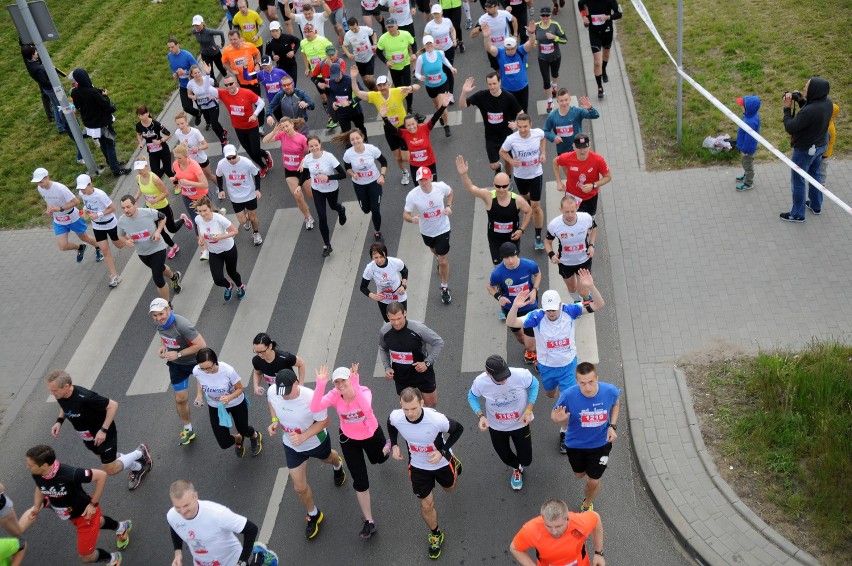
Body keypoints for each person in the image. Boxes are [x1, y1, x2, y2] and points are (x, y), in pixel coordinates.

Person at [506, 279, 604, 453]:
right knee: (550, 394)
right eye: (548, 310)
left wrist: (591, 286)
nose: (551, 313)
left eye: (554, 309)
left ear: (560, 305)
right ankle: (559, 393)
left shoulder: (570, 310)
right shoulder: (536, 317)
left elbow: (599, 304)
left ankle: (564, 432)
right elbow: (511, 323)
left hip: (568, 366)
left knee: (565, 403)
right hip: (547, 367)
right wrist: (515, 306)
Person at [311, 364, 392, 540]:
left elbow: (366, 409)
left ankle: (387, 445)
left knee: (379, 459)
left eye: (343, 380)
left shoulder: (364, 391)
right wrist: (320, 384)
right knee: (360, 480)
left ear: (351, 379)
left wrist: (355, 385)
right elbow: (315, 407)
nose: (340, 385)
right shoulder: (334, 395)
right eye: (336, 382)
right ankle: (369, 521)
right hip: (349, 439)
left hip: (371, 434)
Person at [266, 369, 345, 539]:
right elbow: (271, 402)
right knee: (299, 487)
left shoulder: (310, 398)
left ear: (296, 383)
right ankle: (314, 514)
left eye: (287, 393)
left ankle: (338, 464)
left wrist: (303, 437)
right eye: (282, 393)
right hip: (291, 445)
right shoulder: (274, 392)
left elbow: (324, 421)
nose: (284, 397)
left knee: (328, 459)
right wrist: (274, 421)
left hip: (315, 441)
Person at [387, 387, 463, 559]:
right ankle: (436, 534)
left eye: (414, 408)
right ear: (401, 405)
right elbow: (390, 424)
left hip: (441, 462)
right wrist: (394, 444)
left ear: (421, 403)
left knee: (450, 489)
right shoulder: (397, 416)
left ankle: (454, 460)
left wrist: (443, 451)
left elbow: (458, 429)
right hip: (418, 466)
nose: (410, 413)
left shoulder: (436, 419)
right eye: (406, 409)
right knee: (426, 504)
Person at [46, 370, 153, 490]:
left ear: (66, 386)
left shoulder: (85, 397)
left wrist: (103, 430)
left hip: (104, 435)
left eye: (54, 390)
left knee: (110, 469)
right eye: (50, 390)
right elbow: (65, 407)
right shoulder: (61, 395)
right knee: (107, 457)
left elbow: (113, 405)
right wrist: (59, 421)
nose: (52, 393)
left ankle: (140, 452)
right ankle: (138, 467)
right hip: (88, 436)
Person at [24, 445, 129, 566]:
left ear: (44, 465)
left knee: (86, 556)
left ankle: (113, 559)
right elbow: (40, 487)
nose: (27, 467)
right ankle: (122, 527)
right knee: (99, 522)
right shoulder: (38, 474)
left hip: (85, 516)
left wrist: (93, 505)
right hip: (72, 516)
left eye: (30, 465)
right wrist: (37, 506)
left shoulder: (69, 474)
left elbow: (101, 475)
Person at [552, 362, 620, 512]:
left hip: (601, 444)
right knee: (579, 475)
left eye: (591, 382)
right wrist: (559, 419)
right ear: (577, 382)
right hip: (576, 444)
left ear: (597, 378)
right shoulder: (569, 395)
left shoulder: (609, 390)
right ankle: (587, 476)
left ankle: (587, 503)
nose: (587, 388)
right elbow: (555, 415)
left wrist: (612, 426)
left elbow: (616, 403)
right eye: (582, 383)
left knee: (593, 480)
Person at [468, 355, 538, 490]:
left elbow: (534, 385)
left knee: (526, 460)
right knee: (504, 455)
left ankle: (522, 459)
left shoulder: (520, 375)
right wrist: (481, 416)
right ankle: (516, 469)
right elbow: (472, 396)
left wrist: (529, 410)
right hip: (496, 427)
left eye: (506, 375)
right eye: (500, 378)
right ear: (488, 374)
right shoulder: (480, 382)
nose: (504, 380)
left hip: (520, 424)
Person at [149, 298, 206, 445]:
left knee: (214, 395)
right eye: (154, 315)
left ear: (169, 310)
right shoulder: (158, 323)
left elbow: (201, 345)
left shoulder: (182, 325)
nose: (158, 318)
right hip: (176, 365)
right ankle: (188, 428)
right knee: (180, 399)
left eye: (161, 314)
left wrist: (178, 354)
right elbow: (165, 335)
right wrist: (163, 346)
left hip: (195, 362)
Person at [455, 155, 532, 266]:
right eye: (498, 186)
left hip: (512, 238)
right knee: (498, 266)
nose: (501, 189)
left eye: (504, 186)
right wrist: (463, 174)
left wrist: (521, 230)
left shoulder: (517, 200)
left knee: (512, 264)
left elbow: (529, 211)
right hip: (495, 240)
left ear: (509, 184)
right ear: (493, 185)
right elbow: (471, 188)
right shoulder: (489, 196)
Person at [350, 68, 421, 184]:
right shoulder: (374, 96)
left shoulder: (397, 91)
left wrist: (411, 88)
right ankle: (404, 172)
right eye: (380, 85)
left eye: (384, 85)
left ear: (389, 84)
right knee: (397, 157)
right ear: (377, 87)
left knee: (406, 157)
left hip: (402, 127)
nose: (382, 88)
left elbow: (417, 87)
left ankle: (417, 166)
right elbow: (357, 92)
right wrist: (353, 78)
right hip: (388, 129)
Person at [167, 480, 259, 566]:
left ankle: (260, 557)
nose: (182, 512)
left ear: (195, 496)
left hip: (231, 562)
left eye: (186, 505)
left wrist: (242, 561)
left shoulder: (217, 514)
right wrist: (178, 552)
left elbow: (251, 529)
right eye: (177, 507)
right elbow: (175, 526)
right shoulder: (172, 515)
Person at [192, 348, 262, 457]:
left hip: (236, 403)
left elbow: (240, 388)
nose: (206, 371)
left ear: (215, 361)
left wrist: (229, 398)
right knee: (224, 443)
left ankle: (254, 435)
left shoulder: (227, 371)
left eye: (209, 367)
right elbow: (199, 380)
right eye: (203, 368)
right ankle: (238, 438)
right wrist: (199, 395)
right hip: (215, 406)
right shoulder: (197, 370)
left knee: (243, 429)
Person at [781, 77, 833, 221]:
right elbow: (812, 115)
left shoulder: (809, 111)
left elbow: (790, 126)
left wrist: (786, 108)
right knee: (815, 175)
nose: (804, 88)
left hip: (805, 151)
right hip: (821, 145)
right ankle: (816, 205)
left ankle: (797, 214)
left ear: (814, 90)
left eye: (807, 86)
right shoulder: (827, 103)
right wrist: (801, 101)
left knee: (798, 180)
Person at [403, 167, 454, 303]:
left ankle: (444, 287)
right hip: (426, 231)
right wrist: (412, 219)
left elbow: (450, 193)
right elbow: (405, 214)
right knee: (434, 251)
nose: (423, 183)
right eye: (420, 180)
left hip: (443, 228)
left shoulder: (440, 187)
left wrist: (448, 206)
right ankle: (438, 258)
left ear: (431, 178)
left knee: (443, 259)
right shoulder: (413, 195)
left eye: (425, 179)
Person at [117, 196, 182, 302]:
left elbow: (163, 217)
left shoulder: (147, 212)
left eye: (128, 207)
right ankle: (174, 277)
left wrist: (158, 231)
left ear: (135, 205)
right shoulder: (122, 221)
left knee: (158, 279)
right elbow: (120, 235)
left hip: (157, 248)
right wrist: (126, 241)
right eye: (123, 208)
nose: (126, 210)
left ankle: (167, 305)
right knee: (160, 268)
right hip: (142, 253)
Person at [379, 302, 445, 406]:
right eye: (392, 319)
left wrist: (427, 363)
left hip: (422, 374)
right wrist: (387, 367)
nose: (396, 323)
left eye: (399, 318)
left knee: (431, 405)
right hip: (402, 377)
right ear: (387, 316)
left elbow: (438, 342)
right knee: (409, 408)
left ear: (405, 313)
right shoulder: (385, 331)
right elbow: (383, 348)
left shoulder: (418, 328)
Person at [69, 68, 131, 176]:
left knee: (103, 143)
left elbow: (78, 106)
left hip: (91, 124)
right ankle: (116, 169)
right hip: (102, 123)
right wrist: (105, 96)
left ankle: (112, 163)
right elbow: (106, 106)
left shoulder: (75, 92)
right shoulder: (92, 92)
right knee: (110, 144)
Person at [510, 498, 606, 566]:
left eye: (558, 526)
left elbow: (596, 518)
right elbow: (515, 548)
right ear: (543, 519)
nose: (554, 531)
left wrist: (599, 554)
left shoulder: (580, 523)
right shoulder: (531, 530)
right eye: (548, 526)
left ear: (567, 519)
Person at [459, 72, 521, 175]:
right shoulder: (481, 96)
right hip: (491, 137)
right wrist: (464, 92)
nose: (492, 87)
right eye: (490, 84)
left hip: (507, 136)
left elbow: (521, 113)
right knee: (493, 165)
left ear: (500, 82)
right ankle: (498, 167)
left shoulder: (508, 97)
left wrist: (516, 123)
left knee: (508, 161)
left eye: (494, 83)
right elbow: (462, 105)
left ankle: (508, 179)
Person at [499, 112, 546, 249]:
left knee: (535, 206)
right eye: (520, 127)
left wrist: (543, 153)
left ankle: (538, 237)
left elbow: (543, 138)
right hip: (520, 176)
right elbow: (502, 152)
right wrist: (511, 161)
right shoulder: (511, 139)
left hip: (536, 173)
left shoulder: (537, 133)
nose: (523, 130)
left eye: (525, 126)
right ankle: (527, 201)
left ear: (530, 125)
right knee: (526, 196)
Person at [32, 168, 98, 263]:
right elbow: (48, 200)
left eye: (41, 182)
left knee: (84, 237)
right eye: (37, 182)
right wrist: (49, 209)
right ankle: (80, 248)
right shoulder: (40, 189)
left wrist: (60, 209)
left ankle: (98, 247)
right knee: (63, 246)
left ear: (47, 178)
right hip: (58, 220)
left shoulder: (60, 188)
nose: (39, 184)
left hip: (72, 217)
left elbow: (76, 202)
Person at [133, 157, 192, 261]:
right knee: (159, 231)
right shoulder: (137, 177)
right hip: (151, 210)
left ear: (146, 166)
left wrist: (156, 200)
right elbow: (140, 188)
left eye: (141, 168)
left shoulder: (154, 178)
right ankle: (174, 246)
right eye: (137, 168)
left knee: (172, 229)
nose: (139, 170)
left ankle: (183, 219)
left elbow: (166, 192)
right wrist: (137, 196)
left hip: (163, 207)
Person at [489, 242, 541, 361]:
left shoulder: (529, 265)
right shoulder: (497, 273)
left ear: (517, 254)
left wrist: (534, 290)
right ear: (502, 258)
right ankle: (530, 348)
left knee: (530, 343)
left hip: (529, 305)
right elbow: (490, 287)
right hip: (511, 309)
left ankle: (535, 352)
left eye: (513, 256)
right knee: (519, 335)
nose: (511, 260)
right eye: (507, 258)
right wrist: (498, 297)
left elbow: (537, 274)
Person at [299, 136, 348, 257]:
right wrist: (299, 185)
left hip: (331, 189)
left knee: (333, 206)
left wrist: (328, 177)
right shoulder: (307, 159)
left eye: (316, 145)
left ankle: (341, 210)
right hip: (317, 190)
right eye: (311, 146)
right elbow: (305, 174)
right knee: (322, 217)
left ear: (320, 144)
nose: (314, 148)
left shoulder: (329, 157)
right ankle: (327, 245)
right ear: (308, 148)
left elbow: (343, 175)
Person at [214, 75, 272, 176]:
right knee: (249, 152)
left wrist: (254, 115)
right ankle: (263, 166)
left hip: (252, 127)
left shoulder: (246, 93)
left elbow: (261, 103)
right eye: (226, 85)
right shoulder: (223, 93)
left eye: (231, 84)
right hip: (238, 128)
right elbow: (207, 89)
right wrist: (206, 75)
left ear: (236, 83)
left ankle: (265, 154)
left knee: (255, 151)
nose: (229, 87)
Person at [263, 117, 315, 229]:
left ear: (292, 125)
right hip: (289, 171)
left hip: (302, 170)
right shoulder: (282, 135)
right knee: (298, 196)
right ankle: (308, 217)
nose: (285, 129)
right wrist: (274, 132)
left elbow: (309, 153)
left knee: (311, 195)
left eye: (287, 126)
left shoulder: (301, 138)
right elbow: (265, 141)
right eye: (283, 127)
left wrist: (303, 161)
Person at [194, 197, 248, 301]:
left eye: (204, 210)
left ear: (210, 208)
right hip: (214, 252)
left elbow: (235, 231)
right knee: (217, 280)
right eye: (199, 211)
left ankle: (240, 286)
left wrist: (220, 237)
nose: (202, 214)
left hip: (228, 249)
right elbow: (199, 227)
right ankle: (229, 286)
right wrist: (201, 238)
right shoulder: (198, 219)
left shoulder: (219, 219)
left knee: (232, 272)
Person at [76, 174, 125, 288]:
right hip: (98, 226)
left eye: (84, 187)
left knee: (119, 245)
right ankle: (115, 276)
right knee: (105, 251)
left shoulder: (100, 195)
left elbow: (113, 208)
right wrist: (84, 211)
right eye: (80, 188)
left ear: (90, 184)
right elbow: (86, 204)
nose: (82, 190)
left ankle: (131, 238)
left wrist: (98, 214)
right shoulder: (82, 193)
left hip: (110, 224)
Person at [544, 196, 596, 301]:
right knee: (571, 287)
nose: (570, 215)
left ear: (577, 207)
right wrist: (552, 255)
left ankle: (586, 299)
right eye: (566, 212)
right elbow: (547, 242)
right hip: (565, 263)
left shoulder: (586, 218)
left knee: (583, 291)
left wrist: (591, 245)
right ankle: (577, 301)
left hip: (583, 260)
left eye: (572, 211)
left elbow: (594, 229)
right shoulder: (554, 225)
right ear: (561, 210)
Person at [389, 96, 450, 179]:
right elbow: (391, 130)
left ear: (416, 123)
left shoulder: (425, 128)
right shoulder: (404, 133)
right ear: (405, 126)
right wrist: (384, 117)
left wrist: (443, 106)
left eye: (413, 124)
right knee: (419, 189)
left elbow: (435, 118)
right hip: (415, 166)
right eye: (408, 125)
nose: (411, 127)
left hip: (430, 164)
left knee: (433, 187)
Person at [552, 133, 611, 218]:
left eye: (585, 147)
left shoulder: (598, 160)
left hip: (590, 197)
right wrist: (559, 182)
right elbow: (555, 162)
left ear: (589, 145)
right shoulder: (567, 157)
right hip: (572, 197)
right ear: (574, 146)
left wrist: (593, 185)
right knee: (571, 220)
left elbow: (608, 177)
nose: (582, 151)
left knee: (589, 222)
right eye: (579, 147)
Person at [482, 23, 536, 113]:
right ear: (504, 47)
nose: (510, 51)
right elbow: (489, 48)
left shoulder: (521, 51)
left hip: (522, 88)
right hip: (507, 90)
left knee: (523, 113)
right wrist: (486, 37)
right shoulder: (500, 53)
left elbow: (531, 43)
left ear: (516, 47)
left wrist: (532, 33)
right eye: (507, 49)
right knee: (509, 114)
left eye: (512, 49)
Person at [216, 144, 264, 245]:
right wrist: (220, 189)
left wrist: (257, 189)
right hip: (235, 197)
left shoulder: (246, 162)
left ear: (237, 153)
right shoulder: (221, 164)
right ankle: (247, 219)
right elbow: (218, 175)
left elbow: (256, 173)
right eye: (229, 158)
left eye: (233, 157)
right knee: (242, 222)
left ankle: (256, 233)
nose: (232, 160)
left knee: (252, 216)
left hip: (249, 194)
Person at [343, 129, 387, 240]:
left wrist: (382, 175)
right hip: (359, 185)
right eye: (352, 139)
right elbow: (347, 168)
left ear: (362, 138)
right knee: (366, 210)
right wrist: (353, 174)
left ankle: (377, 231)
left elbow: (384, 162)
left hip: (374, 182)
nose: (355, 141)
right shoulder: (348, 154)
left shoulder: (372, 149)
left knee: (375, 209)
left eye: (357, 138)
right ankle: (368, 210)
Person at [577, 0, 622, 99]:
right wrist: (584, 16)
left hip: (607, 31)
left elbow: (619, 14)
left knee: (606, 54)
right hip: (594, 33)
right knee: (597, 62)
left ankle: (604, 70)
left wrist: (607, 17)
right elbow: (580, 4)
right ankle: (600, 88)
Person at [414, 39, 456, 137]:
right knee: (437, 106)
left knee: (443, 105)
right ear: (424, 46)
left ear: (433, 44)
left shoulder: (440, 53)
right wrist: (420, 77)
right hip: (430, 86)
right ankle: (440, 115)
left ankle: (446, 126)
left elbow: (444, 60)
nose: (429, 45)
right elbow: (416, 72)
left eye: (430, 43)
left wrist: (451, 67)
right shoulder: (421, 58)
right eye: (427, 44)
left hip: (443, 83)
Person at [543, 88, 599, 155]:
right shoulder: (552, 116)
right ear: (557, 101)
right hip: (562, 151)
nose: (564, 103)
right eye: (561, 101)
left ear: (570, 99)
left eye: (566, 100)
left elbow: (595, 115)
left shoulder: (577, 111)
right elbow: (545, 131)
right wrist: (553, 137)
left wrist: (590, 108)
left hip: (578, 149)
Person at [376, 19, 417, 113]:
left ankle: (409, 107)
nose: (391, 29)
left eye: (392, 26)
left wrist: (413, 53)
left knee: (407, 86)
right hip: (393, 67)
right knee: (398, 88)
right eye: (388, 27)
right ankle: (400, 105)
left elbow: (413, 43)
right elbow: (378, 52)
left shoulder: (405, 34)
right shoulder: (383, 38)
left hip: (405, 64)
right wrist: (386, 61)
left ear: (397, 26)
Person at [361, 242, 408, 321]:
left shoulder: (395, 262)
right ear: (372, 257)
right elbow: (363, 287)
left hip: (398, 295)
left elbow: (404, 271)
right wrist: (372, 295)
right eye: (376, 257)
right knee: (388, 321)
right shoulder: (370, 268)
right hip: (384, 298)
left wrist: (403, 285)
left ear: (385, 254)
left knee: (402, 319)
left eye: (381, 256)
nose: (379, 260)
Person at [534, 7, 567, 113]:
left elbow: (565, 40)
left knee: (555, 74)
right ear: (540, 16)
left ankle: (555, 86)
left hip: (555, 56)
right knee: (546, 80)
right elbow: (533, 38)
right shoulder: (536, 26)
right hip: (542, 58)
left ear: (550, 16)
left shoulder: (555, 25)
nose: (545, 18)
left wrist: (554, 37)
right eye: (543, 15)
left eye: (547, 15)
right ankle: (549, 102)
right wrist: (533, 41)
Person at [186, 64, 229, 146]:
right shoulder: (190, 84)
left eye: (198, 72)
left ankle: (222, 139)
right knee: (213, 121)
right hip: (202, 106)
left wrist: (214, 94)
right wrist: (193, 96)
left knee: (214, 125)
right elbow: (189, 94)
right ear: (192, 74)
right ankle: (223, 131)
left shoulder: (207, 79)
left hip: (213, 104)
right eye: (195, 73)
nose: (197, 74)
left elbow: (217, 86)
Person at [174, 111, 218, 187]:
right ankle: (200, 195)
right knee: (195, 180)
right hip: (190, 161)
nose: (180, 126)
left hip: (200, 159)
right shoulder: (177, 133)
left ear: (186, 123)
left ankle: (220, 188)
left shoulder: (195, 132)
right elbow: (181, 146)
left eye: (182, 123)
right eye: (178, 124)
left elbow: (206, 145)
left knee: (209, 176)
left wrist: (198, 148)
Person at [471, 0, 516, 71]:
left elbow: (514, 20)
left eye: (490, 7)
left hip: (505, 47)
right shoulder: (483, 18)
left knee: (508, 68)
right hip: (492, 49)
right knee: (497, 70)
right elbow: (472, 35)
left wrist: (515, 35)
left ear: (497, 7)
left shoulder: (504, 14)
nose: (487, 9)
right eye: (486, 7)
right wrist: (480, 29)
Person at [166, 39, 202, 125]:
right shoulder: (169, 56)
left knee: (202, 105)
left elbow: (198, 68)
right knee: (186, 108)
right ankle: (198, 114)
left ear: (178, 45)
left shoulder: (187, 55)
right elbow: (172, 67)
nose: (171, 49)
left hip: (194, 85)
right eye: (169, 48)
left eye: (172, 47)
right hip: (183, 86)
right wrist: (175, 74)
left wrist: (185, 72)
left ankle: (209, 122)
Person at [326, 63, 366, 137]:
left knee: (360, 128)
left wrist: (350, 102)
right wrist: (334, 102)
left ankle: (365, 141)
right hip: (341, 112)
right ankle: (349, 146)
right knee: (346, 132)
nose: (336, 79)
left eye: (337, 76)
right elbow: (332, 94)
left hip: (355, 111)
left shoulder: (350, 80)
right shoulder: (331, 81)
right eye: (334, 77)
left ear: (341, 71)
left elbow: (362, 94)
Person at [135, 105, 174, 180]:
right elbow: (138, 134)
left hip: (163, 150)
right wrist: (140, 143)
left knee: (168, 170)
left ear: (147, 113)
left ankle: (176, 183)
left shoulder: (156, 124)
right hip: (152, 152)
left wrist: (160, 141)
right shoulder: (138, 125)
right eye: (139, 115)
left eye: (142, 114)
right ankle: (164, 172)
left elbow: (168, 134)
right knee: (155, 173)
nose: (141, 117)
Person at [221, 30, 262, 95]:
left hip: (253, 78)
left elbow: (257, 53)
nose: (233, 42)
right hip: (241, 80)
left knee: (257, 98)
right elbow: (224, 62)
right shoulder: (227, 51)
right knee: (247, 100)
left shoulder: (249, 46)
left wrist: (257, 64)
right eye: (231, 40)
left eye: (235, 39)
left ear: (240, 38)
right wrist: (231, 71)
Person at [734, 95, 761, 192]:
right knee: (745, 163)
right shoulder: (749, 116)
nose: (740, 107)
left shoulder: (750, 122)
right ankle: (746, 174)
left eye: (742, 106)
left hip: (747, 149)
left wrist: (745, 150)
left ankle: (748, 183)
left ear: (749, 108)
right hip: (745, 147)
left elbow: (749, 139)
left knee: (747, 164)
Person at [191, 15, 228, 83]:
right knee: (210, 72)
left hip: (215, 53)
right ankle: (215, 86)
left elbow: (221, 33)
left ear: (202, 23)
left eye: (198, 24)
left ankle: (228, 81)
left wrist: (222, 44)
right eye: (195, 25)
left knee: (221, 68)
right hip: (205, 54)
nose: (197, 26)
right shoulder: (194, 31)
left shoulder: (208, 31)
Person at [342, 19, 378, 88]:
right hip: (359, 60)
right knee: (365, 80)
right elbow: (344, 46)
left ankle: (378, 91)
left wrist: (375, 44)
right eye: (351, 29)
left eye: (355, 28)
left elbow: (373, 33)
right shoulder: (348, 35)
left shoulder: (365, 29)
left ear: (357, 24)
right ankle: (372, 92)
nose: (353, 30)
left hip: (369, 57)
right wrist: (348, 54)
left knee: (370, 79)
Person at [266, 21, 301, 86]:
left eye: (276, 31)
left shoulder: (288, 37)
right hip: (280, 67)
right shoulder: (270, 43)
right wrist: (273, 57)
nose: (275, 33)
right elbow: (267, 54)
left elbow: (298, 42)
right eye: (272, 31)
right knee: (283, 85)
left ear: (280, 30)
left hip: (291, 65)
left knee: (292, 84)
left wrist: (293, 51)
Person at [258, 56, 291, 120]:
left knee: (289, 118)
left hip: (283, 99)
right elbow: (247, 77)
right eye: (263, 65)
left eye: (267, 65)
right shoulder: (260, 74)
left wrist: (291, 93)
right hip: (273, 101)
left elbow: (290, 80)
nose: (265, 67)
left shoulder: (279, 72)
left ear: (270, 63)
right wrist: (245, 67)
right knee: (280, 120)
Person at [819, 101, 840, 192]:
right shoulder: (829, 123)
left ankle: (822, 184)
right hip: (825, 152)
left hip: (824, 153)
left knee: (822, 169)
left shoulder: (828, 127)